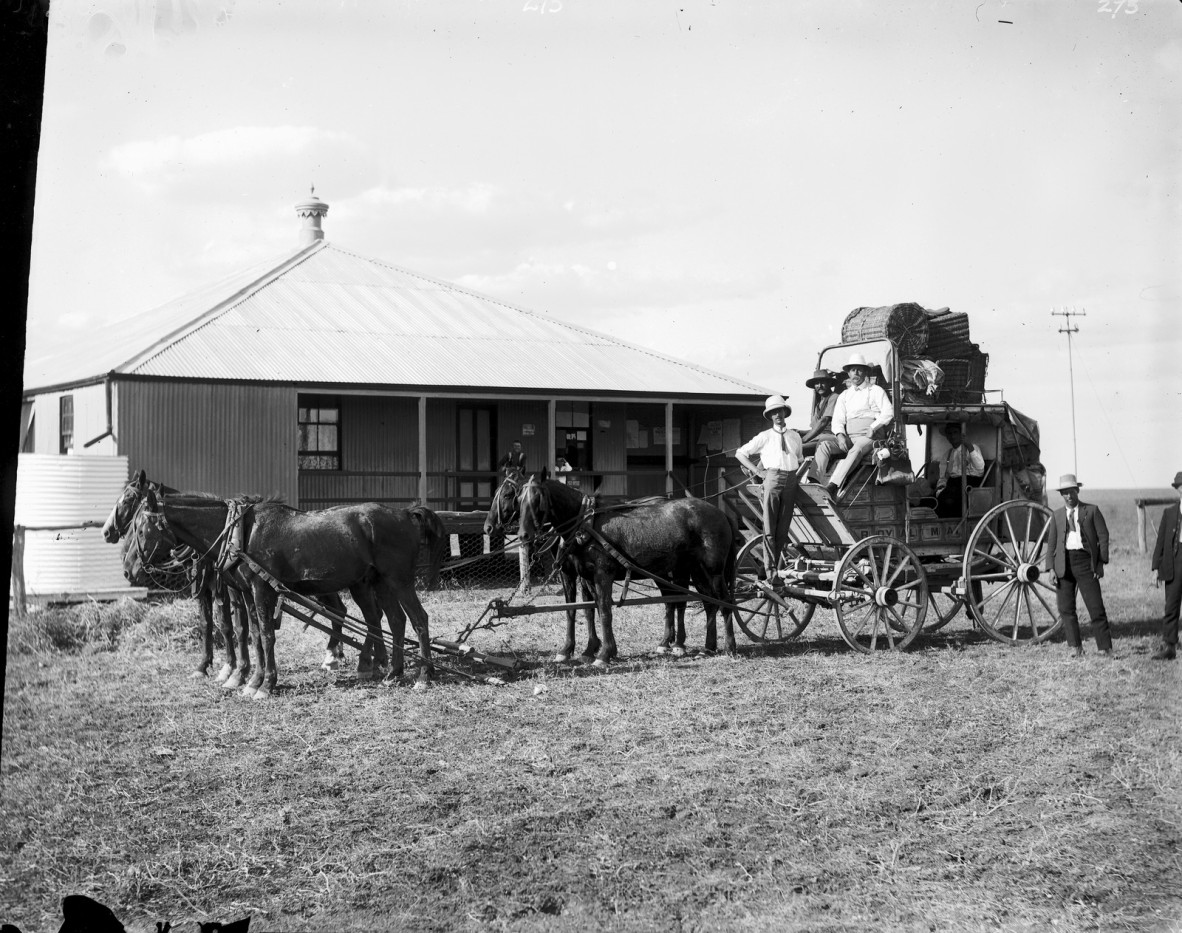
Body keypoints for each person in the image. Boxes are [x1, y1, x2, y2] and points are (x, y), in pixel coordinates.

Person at [736, 395, 809, 567]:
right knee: (770, 529)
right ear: (770, 416)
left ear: (785, 412)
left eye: (780, 411)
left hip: (791, 480)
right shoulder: (765, 436)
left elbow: (799, 460)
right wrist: (757, 471)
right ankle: (770, 571)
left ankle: (777, 567)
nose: (778, 415)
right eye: (773, 412)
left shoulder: (795, 437)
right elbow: (740, 453)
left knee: (783, 529)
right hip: (772, 479)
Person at [1045, 473, 1112, 658]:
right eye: (1065, 493)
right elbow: (1051, 545)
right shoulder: (1057, 516)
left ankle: (1105, 649)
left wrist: (1100, 563)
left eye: (1072, 491)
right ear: (1061, 495)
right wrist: (1051, 568)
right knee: (1066, 609)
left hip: (1085, 563)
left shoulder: (1092, 511)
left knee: (1095, 607)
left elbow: (1103, 537)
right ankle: (1076, 648)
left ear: (1077, 490)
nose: (1069, 496)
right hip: (1063, 565)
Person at [816, 353, 894, 499]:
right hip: (850, 436)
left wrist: (874, 427)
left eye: (859, 370)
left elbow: (888, 412)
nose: (856, 373)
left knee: (856, 449)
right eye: (853, 370)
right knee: (824, 445)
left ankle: (833, 485)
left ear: (865, 372)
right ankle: (814, 481)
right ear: (848, 373)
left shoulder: (876, 390)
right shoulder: (844, 395)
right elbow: (838, 420)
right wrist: (840, 436)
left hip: (870, 436)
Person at [1150, 470, 1182, 660]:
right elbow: (1160, 542)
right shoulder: (1169, 513)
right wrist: (1155, 568)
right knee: (1171, 606)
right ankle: (1169, 646)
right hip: (1174, 564)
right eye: (1181, 486)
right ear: (1178, 490)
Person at [934, 423, 985, 518]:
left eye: (955, 432)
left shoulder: (972, 448)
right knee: (935, 500)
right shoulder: (947, 455)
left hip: (970, 484)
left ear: (961, 434)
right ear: (947, 436)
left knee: (950, 501)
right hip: (952, 484)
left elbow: (980, 469)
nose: (952, 436)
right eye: (949, 433)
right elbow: (943, 477)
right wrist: (940, 490)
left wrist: (969, 446)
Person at [800, 369, 840, 458]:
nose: (820, 386)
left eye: (823, 383)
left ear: (829, 384)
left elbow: (824, 421)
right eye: (817, 383)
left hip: (832, 437)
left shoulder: (834, 397)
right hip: (820, 437)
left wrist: (804, 439)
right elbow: (815, 428)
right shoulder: (818, 404)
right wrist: (798, 432)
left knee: (798, 449)